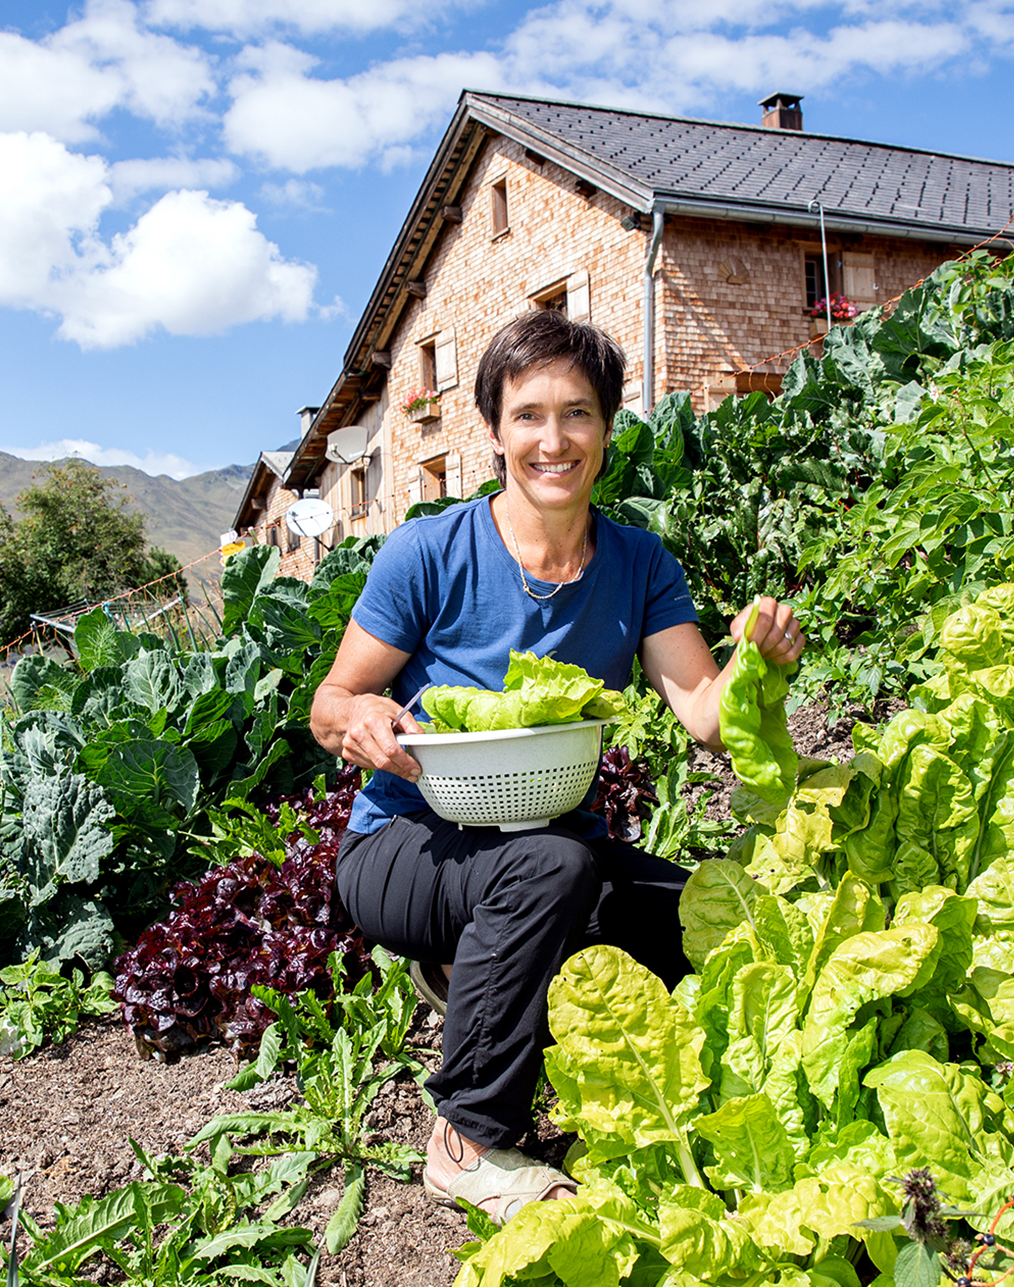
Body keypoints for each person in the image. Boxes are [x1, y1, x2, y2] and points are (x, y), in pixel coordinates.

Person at [311, 308, 806, 1222]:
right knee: (553, 865)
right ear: (494, 432)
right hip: (405, 845)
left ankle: (491, 969)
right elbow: (329, 702)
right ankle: (466, 1139)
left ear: (608, 428)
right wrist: (363, 719)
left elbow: (703, 713)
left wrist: (756, 667)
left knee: (703, 921)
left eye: (577, 413)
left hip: (548, 850)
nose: (553, 438)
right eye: (528, 414)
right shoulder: (429, 551)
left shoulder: (637, 562)